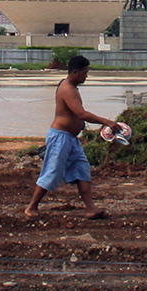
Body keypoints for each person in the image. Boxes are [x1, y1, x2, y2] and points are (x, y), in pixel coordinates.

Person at [24, 55, 124, 219]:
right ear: (75, 72)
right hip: (60, 138)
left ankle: (90, 208)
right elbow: (81, 113)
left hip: (71, 139)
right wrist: (106, 122)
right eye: (85, 73)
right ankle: (31, 207)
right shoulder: (67, 89)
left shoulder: (73, 87)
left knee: (82, 169)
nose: (86, 76)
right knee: (52, 171)